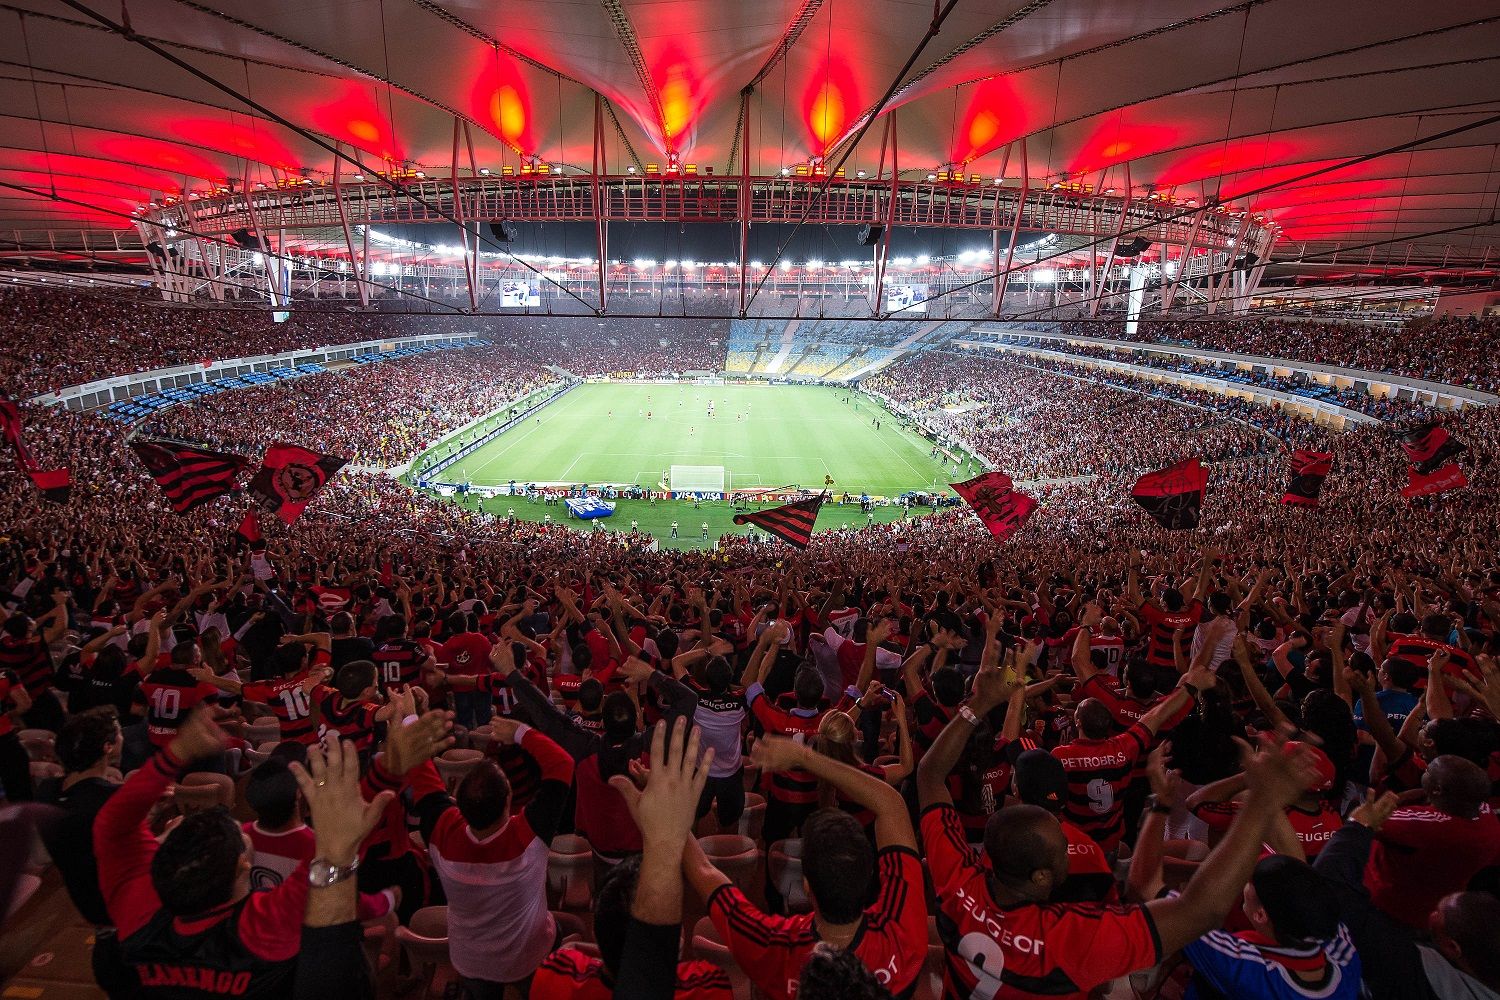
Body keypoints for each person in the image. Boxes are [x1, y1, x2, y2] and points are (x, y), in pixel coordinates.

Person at [917, 659, 1322, 1000]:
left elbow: (930, 774)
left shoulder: (957, 883)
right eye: (1060, 847)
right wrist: (1263, 803)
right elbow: (1200, 909)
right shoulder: (1075, 939)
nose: (1068, 842)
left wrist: (980, 703)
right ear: (1041, 877)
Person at [682, 733, 929, 1000]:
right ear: (869, 874)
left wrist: (674, 818)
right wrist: (805, 758)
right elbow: (891, 804)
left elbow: (707, 875)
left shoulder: (774, 945)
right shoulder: (903, 936)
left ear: (806, 883)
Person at [391, 713, 575, 997]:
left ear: (457, 805)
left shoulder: (442, 832)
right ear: (509, 802)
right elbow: (562, 764)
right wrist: (520, 732)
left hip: (471, 957)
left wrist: (409, 718)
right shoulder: (527, 837)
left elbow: (423, 774)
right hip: (529, 953)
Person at [34, 707, 134, 997]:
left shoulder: (48, 793)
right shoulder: (112, 801)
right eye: (118, 733)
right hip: (130, 931)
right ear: (107, 747)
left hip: (100, 929)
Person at [1362, 754, 1500, 930]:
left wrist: (1397, 799)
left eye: (1428, 770)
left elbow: (1365, 820)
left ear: (1437, 790)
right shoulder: (1486, 817)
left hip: (1388, 906)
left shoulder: (1422, 826)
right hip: (1432, 906)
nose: (1424, 769)